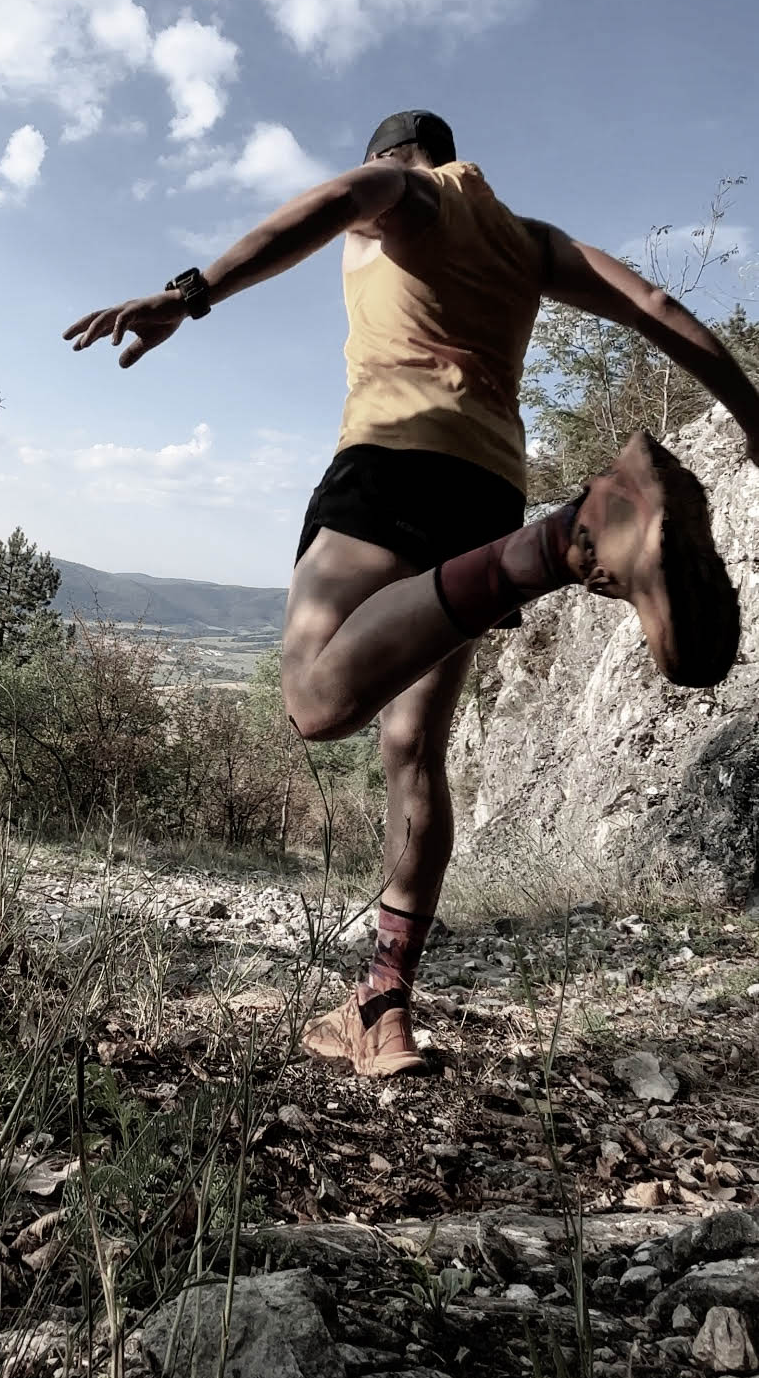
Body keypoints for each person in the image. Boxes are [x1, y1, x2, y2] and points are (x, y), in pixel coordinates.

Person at [64, 110, 755, 1076]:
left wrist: (192, 293)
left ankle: (568, 541)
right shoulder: (528, 241)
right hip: (484, 491)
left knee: (313, 699)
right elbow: (655, 306)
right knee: (411, 747)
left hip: (389, 465)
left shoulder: (403, 193)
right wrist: (754, 423)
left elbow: (336, 200)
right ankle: (382, 1010)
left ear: (389, 156)